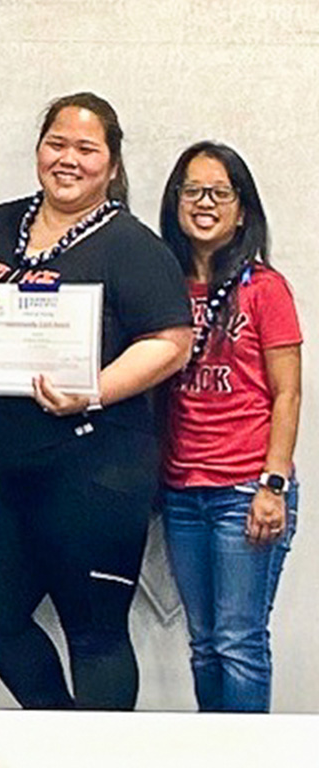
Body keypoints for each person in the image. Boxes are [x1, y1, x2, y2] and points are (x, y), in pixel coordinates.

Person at [0, 92, 192, 710]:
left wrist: (93, 391)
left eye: (86, 148)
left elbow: (171, 343)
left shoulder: (132, 246)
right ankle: (59, 733)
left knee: (95, 633)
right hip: (9, 470)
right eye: (57, 143)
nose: (68, 159)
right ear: (38, 150)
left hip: (96, 471)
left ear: (111, 163)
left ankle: (95, 753)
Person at [157, 141, 301, 712]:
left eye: (220, 192)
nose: (205, 203)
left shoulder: (265, 288)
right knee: (203, 646)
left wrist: (273, 485)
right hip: (181, 490)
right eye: (192, 190)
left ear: (242, 209)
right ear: (175, 203)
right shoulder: (161, 284)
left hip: (245, 488)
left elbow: (287, 392)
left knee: (239, 643)